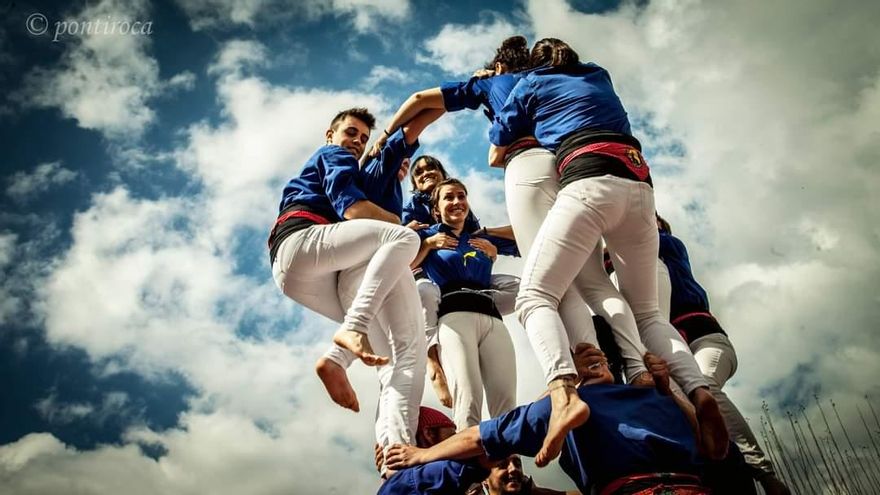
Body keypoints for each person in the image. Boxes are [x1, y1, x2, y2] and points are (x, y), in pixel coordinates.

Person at [487, 38, 728, 465]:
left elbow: (497, 144)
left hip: (588, 180)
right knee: (649, 313)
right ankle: (697, 391)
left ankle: (562, 390)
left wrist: (502, 90)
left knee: (535, 296)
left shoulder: (530, 82)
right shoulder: (598, 74)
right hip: (639, 186)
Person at [372, 36, 651, 386]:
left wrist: (385, 135)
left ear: (499, 65)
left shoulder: (493, 81)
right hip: (569, 165)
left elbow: (421, 102)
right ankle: (634, 363)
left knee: (546, 284)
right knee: (586, 279)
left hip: (526, 164)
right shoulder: (554, 79)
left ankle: (585, 366)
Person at [269, 107, 436, 467]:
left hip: (317, 276)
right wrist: (407, 226)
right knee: (402, 238)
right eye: (350, 133)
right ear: (330, 135)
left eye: (362, 138)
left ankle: (396, 461)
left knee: (400, 356)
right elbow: (354, 211)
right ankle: (346, 341)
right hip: (301, 242)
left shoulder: (366, 173)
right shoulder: (333, 154)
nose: (357, 143)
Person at [386, 347, 712, 495]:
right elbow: (705, 443)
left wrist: (423, 454)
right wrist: (670, 392)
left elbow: (482, 437)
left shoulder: (564, 408)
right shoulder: (653, 398)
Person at [654, 215, 791, 495]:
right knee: (677, 404)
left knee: (704, 385)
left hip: (707, 339)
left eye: (648, 220)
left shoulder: (669, 244)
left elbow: (637, 246)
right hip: (673, 347)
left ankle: (764, 473)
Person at [403, 155, 519, 407]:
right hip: (433, 279)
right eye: (418, 171)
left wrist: (491, 244)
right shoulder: (416, 210)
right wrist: (426, 242)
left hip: (476, 287)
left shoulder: (464, 214)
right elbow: (401, 252)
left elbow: (521, 234)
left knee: (525, 287)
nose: (425, 173)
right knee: (427, 294)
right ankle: (433, 363)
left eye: (431, 167)